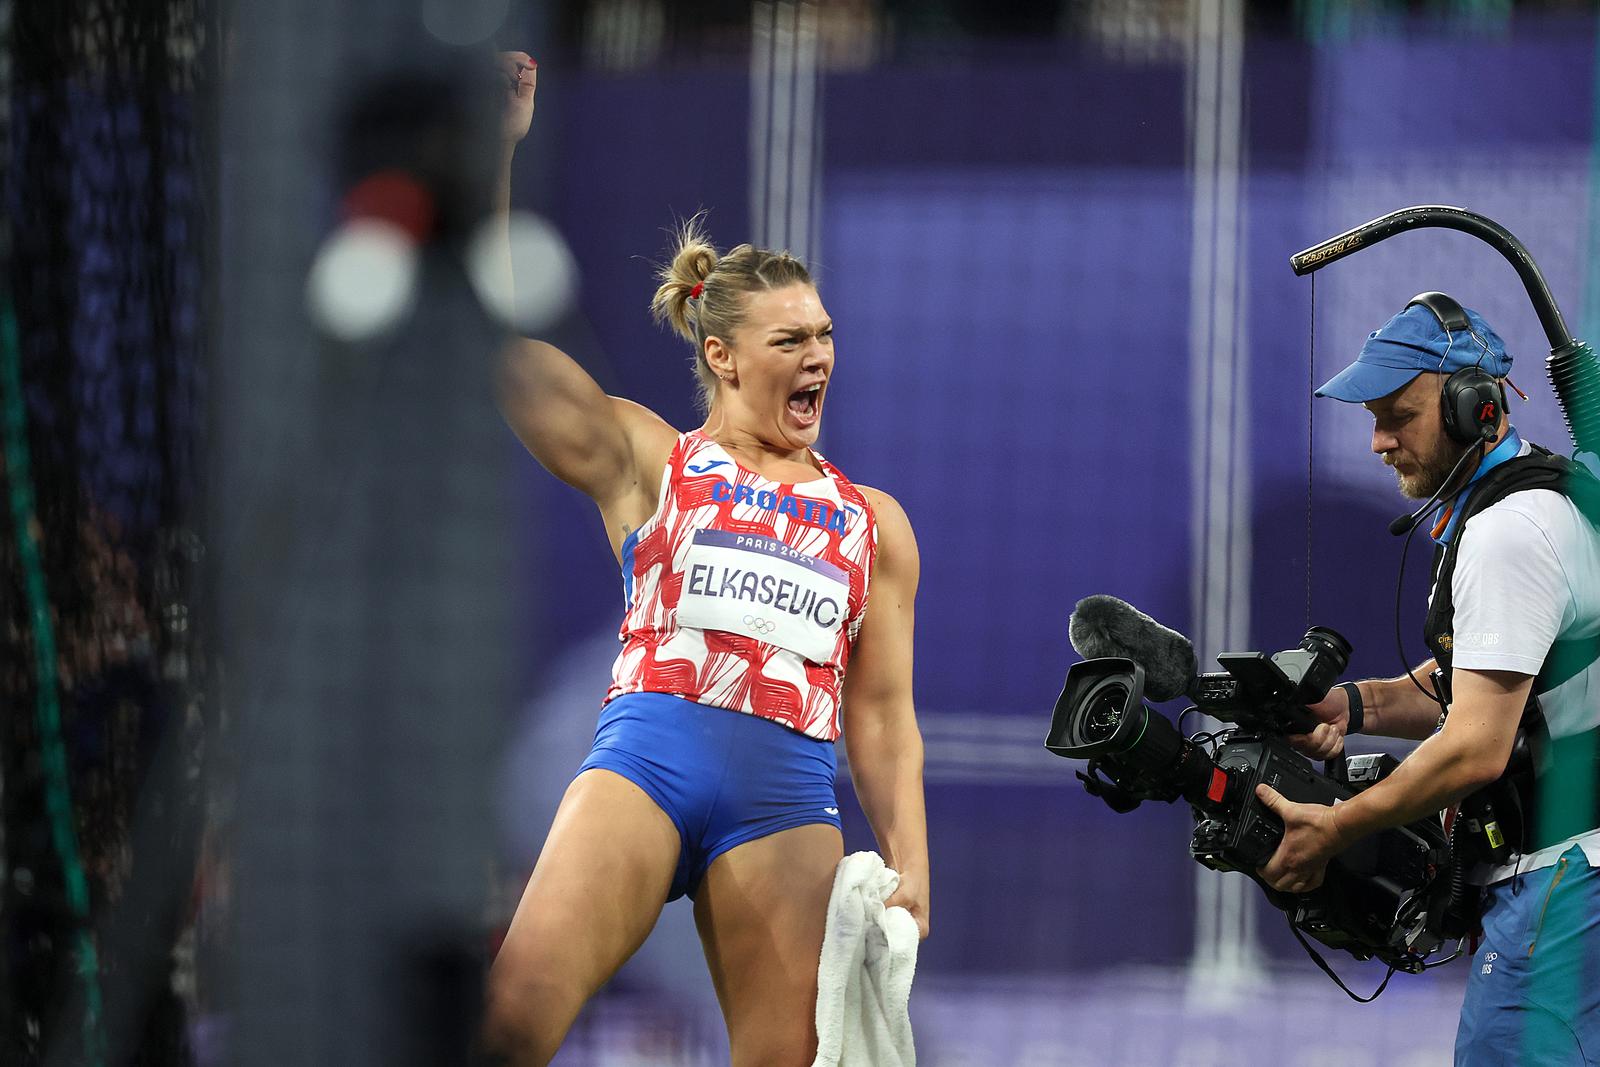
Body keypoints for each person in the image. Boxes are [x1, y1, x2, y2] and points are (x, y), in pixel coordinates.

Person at [482, 52, 930, 1067]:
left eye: (823, 335)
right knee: (509, 1019)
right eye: (787, 338)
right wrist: (496, 159)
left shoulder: (874, 522)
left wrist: (911, 861)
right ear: (722, 355)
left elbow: (880, 711)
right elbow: (501, 341)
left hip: (785, 799)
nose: (815, 355)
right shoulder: (652, 458)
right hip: (644, 762)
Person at [1255, 295, 1600, 1065]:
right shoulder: (1531, 500)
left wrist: (1336, 827)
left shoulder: (1510, 533)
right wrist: (1353, 702)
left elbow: (1475, 746)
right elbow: (1480, 679)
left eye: (1397, 416)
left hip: (1567, 883)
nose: (1378, 441)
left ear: (1474, 408)